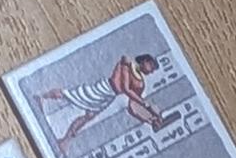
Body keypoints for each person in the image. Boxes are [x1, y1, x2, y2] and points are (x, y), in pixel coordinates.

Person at [33, 51, 163, 142]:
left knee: (89, 116)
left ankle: (65, 140)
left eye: (153, 70)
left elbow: (133, 106)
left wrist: (149, 119)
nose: (151, 71)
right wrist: (145, 103)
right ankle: (42, 97)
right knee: (71, 95)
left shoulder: (140, 84)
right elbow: (125, 88)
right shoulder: (127, 63)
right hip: (104, 87)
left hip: (109, 97)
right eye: (151, 66)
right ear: (145, 61)